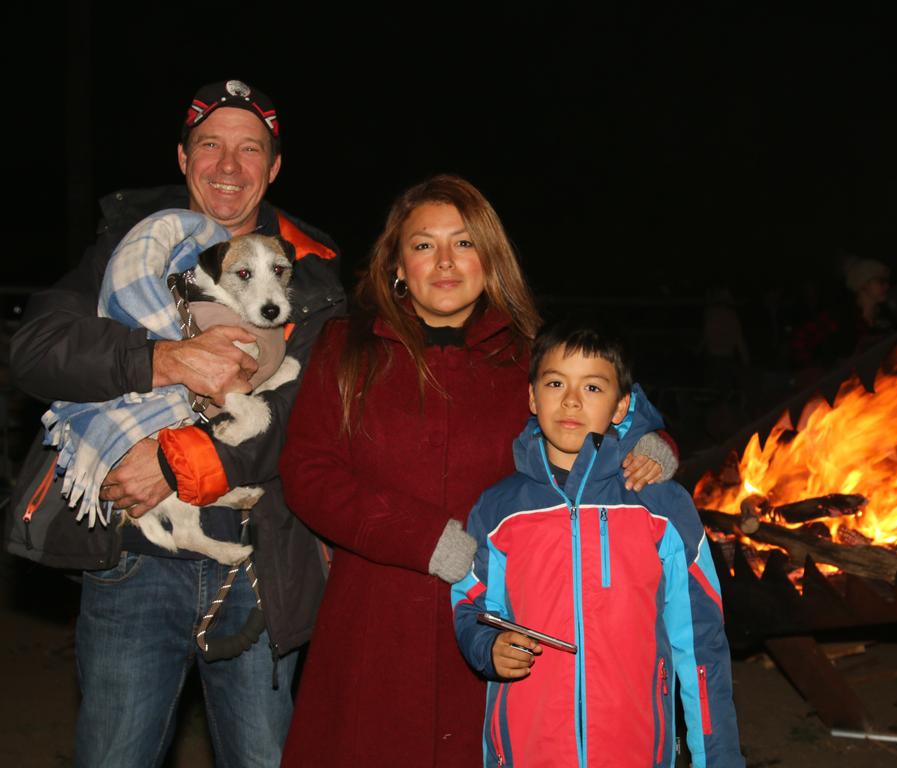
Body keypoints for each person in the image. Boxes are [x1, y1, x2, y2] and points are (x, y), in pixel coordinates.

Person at [278, 175, 677, 766]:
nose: (444, 262)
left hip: (504, 617)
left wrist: (653, 440)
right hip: (375, 620)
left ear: (490, 259)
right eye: (423, 245)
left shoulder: (528, 353)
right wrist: (420, 537)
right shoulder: (347, 348)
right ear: (396, 264)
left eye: (463, 244)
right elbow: (309, 472)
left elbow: (607, 398)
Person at [8, 79, 345, 767]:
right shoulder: (125, 253)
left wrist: (177, 461)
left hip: (259, 568)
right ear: (184, 158)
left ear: (273, 168)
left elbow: (315, 418)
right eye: (210, 146)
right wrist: (161, 358)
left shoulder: (313, 277)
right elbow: (36, 351)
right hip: (133, 564)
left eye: (249, 150)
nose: (228, 166)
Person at [451, 321, 745, 768]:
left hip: (635, 749)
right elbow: (471, 605)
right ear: (532, 397)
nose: (571, 400)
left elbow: (701, 645)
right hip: (528, 751)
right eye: (555, 383)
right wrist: (486, 646)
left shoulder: (661, 507)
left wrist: (719, 759)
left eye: (592, 386)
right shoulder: (499, 509)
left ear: (621, 405)